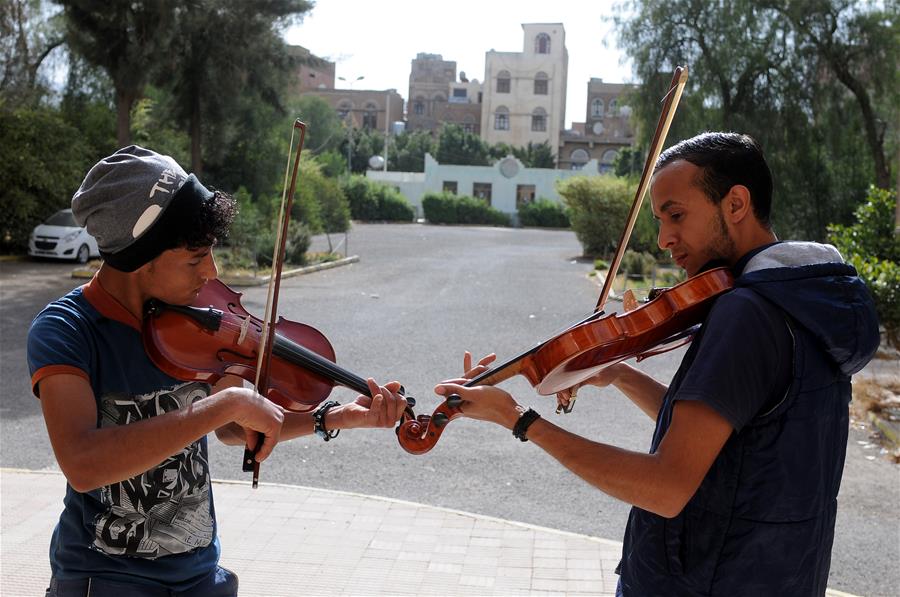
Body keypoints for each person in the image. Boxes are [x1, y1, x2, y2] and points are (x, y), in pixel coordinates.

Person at [437, 132, 880, 596]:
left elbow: (666, 489)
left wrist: (519, 419)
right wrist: (620, 373)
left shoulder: (747, 313)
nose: (665, 238)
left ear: (735, 204)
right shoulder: (806, 298)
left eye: (677, 215)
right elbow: (727, 437)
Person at [27, 146, 408, 596]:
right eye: (194, 259)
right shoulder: (67, 331)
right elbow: (83, 464)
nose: (212, 272)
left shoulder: (196, 323)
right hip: (106, 580)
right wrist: (227, 402)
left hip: (200, 576)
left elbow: (234, 426)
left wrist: (337, 417)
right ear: (139, 258)